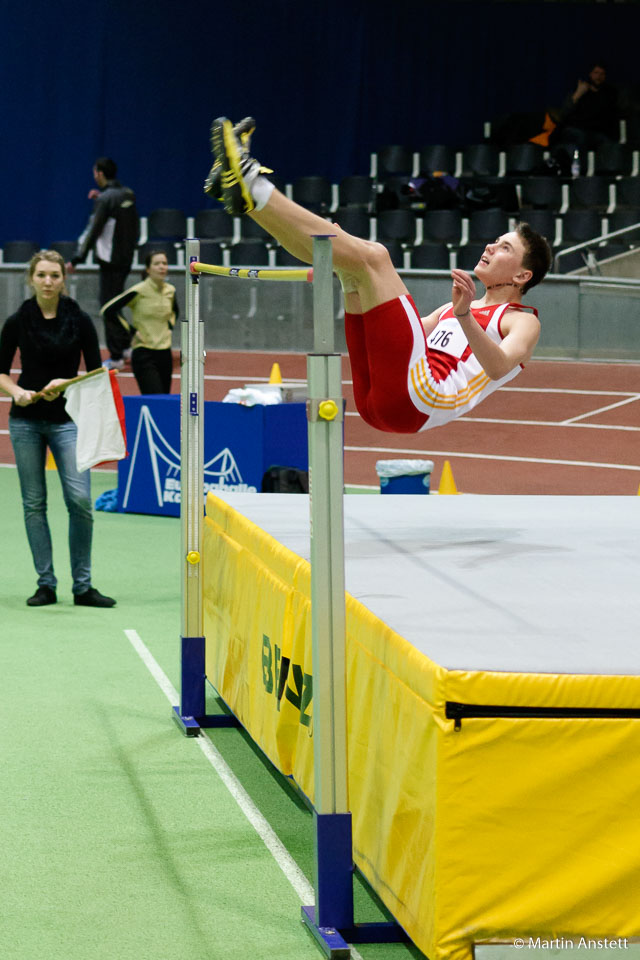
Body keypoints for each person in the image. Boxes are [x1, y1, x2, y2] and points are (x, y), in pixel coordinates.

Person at [205, 117, 552, 434]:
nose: (491, 247)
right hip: (379, 400)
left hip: (421, 400)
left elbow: (499, 367)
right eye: (495, 241)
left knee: (376, 257)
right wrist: (345, 251)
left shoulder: (522, 320)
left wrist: (463, 316)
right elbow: (397, 333)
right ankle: (246, 200)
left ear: (523, 275)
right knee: (340, 258)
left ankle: (251, 181)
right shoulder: (451, 310)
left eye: (505, 248)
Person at [0, 250, 117, 607]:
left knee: (80, 500)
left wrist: (64, 382)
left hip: (68, 422)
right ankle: (45, 584)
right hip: (25, 423)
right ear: (30, 279)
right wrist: (17, 392)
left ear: (64, 280)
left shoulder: (80, 320)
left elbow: (97, 375)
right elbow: (1, 373)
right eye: (42, 276)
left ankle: (82, 586)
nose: (48, 281)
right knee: (34, 504)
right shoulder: (17, 321)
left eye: (54, 275)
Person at [68, 157, 139, 371]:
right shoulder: (127, 194)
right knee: (114, 304)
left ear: (99, 173)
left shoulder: (106, 199)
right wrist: (101, 198)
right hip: (126, 259)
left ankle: (117, 355)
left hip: (110, 261)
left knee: (108, 307)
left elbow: (94, 230)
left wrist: (77, 259)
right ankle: (127, 345)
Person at [100, 250, 178, 395]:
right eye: (157, 264)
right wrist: (131, 331)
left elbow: (175, 312)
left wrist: (169, 327)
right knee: (155, 398)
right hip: (144, 354)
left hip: (165, 353)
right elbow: (108, 310)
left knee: (165, 401)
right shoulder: (138, 291)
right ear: (148, 269)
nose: (162, 267)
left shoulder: (171, 291)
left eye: (165, 263)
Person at [552, 62, 620, 156]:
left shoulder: (609, 94)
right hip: (576, 129)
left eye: (602, 74)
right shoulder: (579, 90)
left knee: (607, 143)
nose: (598, 76)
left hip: (597, 132)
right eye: (596, 73)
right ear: (590, 74)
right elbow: (564, 112)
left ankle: (605, 170)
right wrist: (578, 94)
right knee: (580, 137)